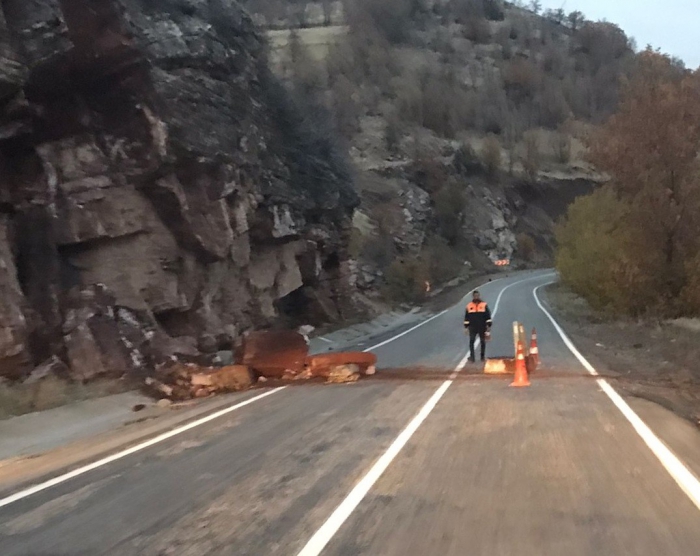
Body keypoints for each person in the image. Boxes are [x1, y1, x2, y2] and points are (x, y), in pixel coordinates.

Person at [464, 290, 492, 362]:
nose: (476, 297)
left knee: (483, 341)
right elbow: (466, 317)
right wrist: (466, 327)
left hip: (482, 326)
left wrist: (488, 326)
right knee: (471, 341)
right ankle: (472, 357)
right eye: (475, 296)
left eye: (477, 295)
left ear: (479, 296)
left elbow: (488, 316)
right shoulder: (469, 306)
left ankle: (482, 357)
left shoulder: (484, 305)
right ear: (473, 296)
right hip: (472, 327)